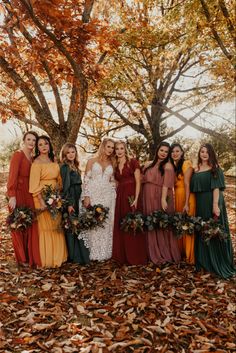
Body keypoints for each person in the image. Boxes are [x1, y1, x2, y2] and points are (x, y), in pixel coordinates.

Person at [190, 143, 235, 279]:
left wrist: (215, 205)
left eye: (207, 152)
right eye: (202, 151)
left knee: (214, 229)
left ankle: (218, 261)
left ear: (211, 154)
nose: (204, 154)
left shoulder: (215, 169)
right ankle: (205, 261)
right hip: (200, 202)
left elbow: (216, 188)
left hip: (212, 200)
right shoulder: (196, 169)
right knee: (204, 229)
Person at [29, 135, 67, 268]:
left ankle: (59, 257)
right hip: (41, 197)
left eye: (46, 143)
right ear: (37, 148)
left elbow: (58, 180)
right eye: (40, 144)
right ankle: (48, 259)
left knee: (56, 226)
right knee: (45, 228)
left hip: (55, 197)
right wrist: (42, 201)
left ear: (49, 145)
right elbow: (34, 184)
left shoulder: (53, 160)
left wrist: (57, 196)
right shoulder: (36, 162)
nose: (44, 146)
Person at [142, 141, 181, 265]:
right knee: (150, 221)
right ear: (157, 150)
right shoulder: (148, 164)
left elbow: (166, 184)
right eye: (161, 150)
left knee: (160, 222)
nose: (163, 153)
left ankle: (163, 252)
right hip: (147, 195)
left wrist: (163, 199)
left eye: (166, 151)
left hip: (160, 196)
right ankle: (150, 251)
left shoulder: (168, 166)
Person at [6, 131, 41, 268]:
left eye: (34, 140)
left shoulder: (32, 157)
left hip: (29, 192)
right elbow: (12, 175)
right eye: (29, 139)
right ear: (24, 140)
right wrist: (12, 195)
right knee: (19, 224)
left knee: (29, 223)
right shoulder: (18, 155)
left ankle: (29, 256)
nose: (31, 142)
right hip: (18, 192)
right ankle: (21, 258)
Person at [79, 138, 116, 261]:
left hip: (107, 195)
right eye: (108, 146)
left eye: (112, 147)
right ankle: (92, 253)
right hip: (93, 194)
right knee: (94, 219)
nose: (110, 149)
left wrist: (113, 185)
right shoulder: (91, 161)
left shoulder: (113, 163)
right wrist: (86, 196)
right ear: (103, 146)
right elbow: (86, 180)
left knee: (105, 222)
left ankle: (104, 252)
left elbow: (113, 180)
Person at [112, 140, 148, 265]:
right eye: (117, 149)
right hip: (121, 196)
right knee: (123, 223)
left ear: (125, 149)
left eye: (122, 148)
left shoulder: (132, 162)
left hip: (132, 195)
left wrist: (137, 198)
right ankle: (124, 256)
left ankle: (135, 256)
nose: (119, 151)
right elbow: (116, 182)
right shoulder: (115, 165)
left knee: (133, 223)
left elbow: (138, 181)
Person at [60, 143, 89, 265]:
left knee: (78, 223)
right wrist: (69, 203)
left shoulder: (75, 166)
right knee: (72, 224)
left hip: (78, 195)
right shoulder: (65, 167)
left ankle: (80, 253)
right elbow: (66, 187)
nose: (71, 154)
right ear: (64, 154)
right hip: (71, 197)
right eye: (68, 152)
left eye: (73, 152)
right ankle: (73, 254)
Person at [170, 143, 196, 264]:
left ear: (182, 152)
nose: (174, 154)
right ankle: (182, 252)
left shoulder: (186, 164)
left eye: (177, 151)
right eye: (172, 152)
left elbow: (187, 184)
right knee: (181, 224)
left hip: (187, 197)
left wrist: (186, 203)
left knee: (188, 223)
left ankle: (191, 255)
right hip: (178, 198)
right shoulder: (174, 167)